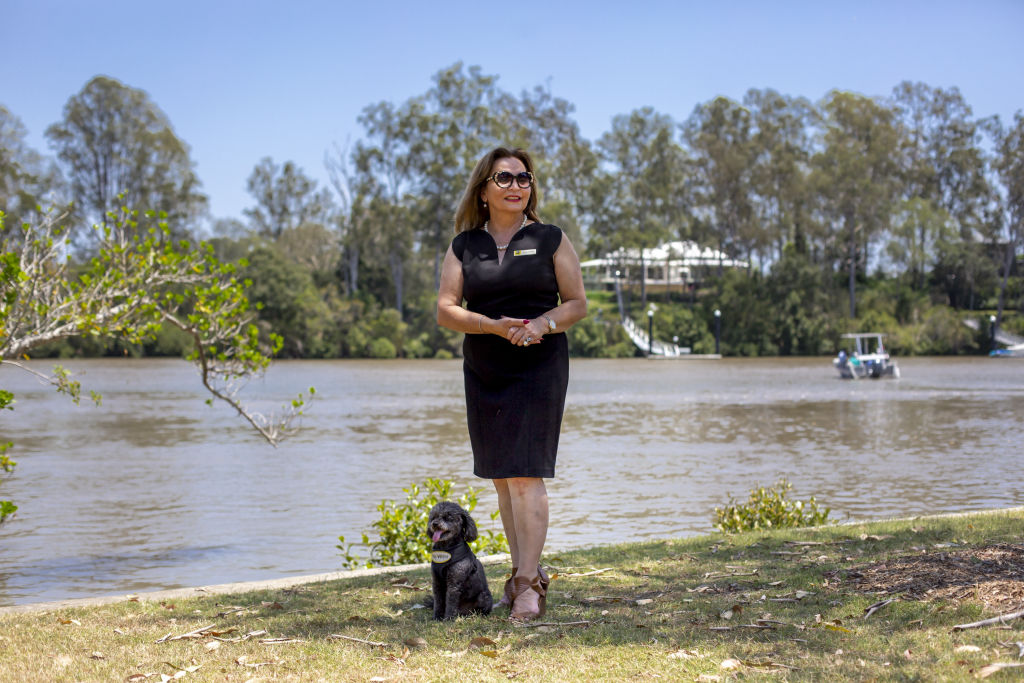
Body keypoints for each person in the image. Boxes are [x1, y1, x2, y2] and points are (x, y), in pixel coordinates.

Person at [437, 147, 587, 621]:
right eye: (504, 178)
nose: (516, 186)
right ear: (484, 189)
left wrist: (541, 324)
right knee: (503, 479)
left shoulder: (550, 239)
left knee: (527, 475)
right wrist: (492, 326)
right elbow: (446, 309)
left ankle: (527, 584)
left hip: (538, 367)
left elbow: (577, 303)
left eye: (524, 178)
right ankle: (523, 571)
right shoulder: (464, 245)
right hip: (485, 369)